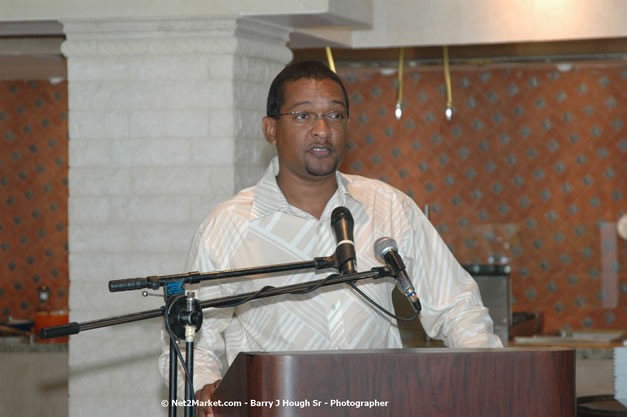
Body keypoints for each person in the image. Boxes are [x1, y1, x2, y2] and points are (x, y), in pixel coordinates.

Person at [159, 60, 502, 416]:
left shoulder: (387, 207)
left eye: (335, 116)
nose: (323, 130)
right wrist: (202, 389)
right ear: (270, 129)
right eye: (304, 116)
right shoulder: (228, 226)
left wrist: (489, 381)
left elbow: (458, 307)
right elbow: (192, 340)